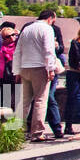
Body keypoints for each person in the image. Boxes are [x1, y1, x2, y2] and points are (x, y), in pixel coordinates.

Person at [12, 10, 61, 142]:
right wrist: (51, 69)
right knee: (40, 100)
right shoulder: (47, 29)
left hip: (25, 67)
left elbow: (18, 51)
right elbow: (49, 50)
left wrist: (16, 70)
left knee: (24, 101)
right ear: (50, 18)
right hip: (39, 68)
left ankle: (15, 130)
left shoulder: (27, 29)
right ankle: (37, 132)